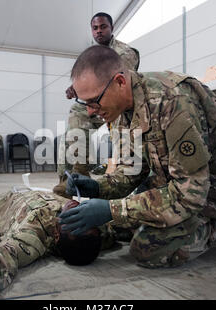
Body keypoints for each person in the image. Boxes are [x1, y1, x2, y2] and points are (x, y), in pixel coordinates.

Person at [60, 45, 216, 268]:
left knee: (149, 249)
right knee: (117, 228)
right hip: (172, 179)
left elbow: (190, 194)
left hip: (215, 183)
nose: (90, 112)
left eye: (93, 101)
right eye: (84, 103)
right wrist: (97, 188)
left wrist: (112, 209)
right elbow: (131, 172)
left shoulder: (173, 102)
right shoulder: (120, 111)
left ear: (119, 82)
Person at [0, 187, 115, 300]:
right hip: (48, 196)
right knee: (62, 191)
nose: (79, 213)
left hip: (10, 203)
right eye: (86, 222)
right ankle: (61, 189)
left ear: (56, 234)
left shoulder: (33, 236)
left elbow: (2, 254)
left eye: (73, 220)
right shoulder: (102, 229)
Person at [53, 12, 140, 198]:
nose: (99, 31)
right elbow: (86, 80)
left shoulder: (125, 52)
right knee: (72, 128)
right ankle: (69, 177)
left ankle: (85, 173)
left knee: (118, 135)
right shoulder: (91, 56)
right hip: (99, 101)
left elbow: (117, 84)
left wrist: (86, 89)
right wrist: (76, 89)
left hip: (120, 104)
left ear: (112, 28)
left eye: (103, 27)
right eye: (95, 28)